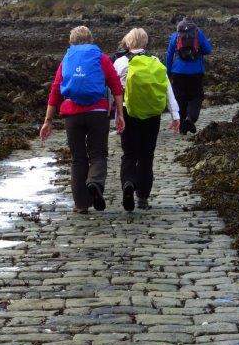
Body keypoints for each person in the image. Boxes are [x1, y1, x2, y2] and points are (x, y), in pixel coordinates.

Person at [40, 26, 124, 214]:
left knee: (78, 159)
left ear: (71, 41)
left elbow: (55, 90)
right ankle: (94, 182)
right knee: (98, 154)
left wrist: (48, 120)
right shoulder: (101, 58)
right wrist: (120, 114)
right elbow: (116, 86)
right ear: (91, 40)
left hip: (72, 113)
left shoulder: (67, 59)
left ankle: (81, 205)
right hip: (98, 112)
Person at [114, 27, 180, 211]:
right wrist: (175, 115)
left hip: (128, 112)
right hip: (152, 115)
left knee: (129, 154)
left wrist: (114, 115)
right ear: (145, 43)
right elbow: (168, 89)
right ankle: (142, 197)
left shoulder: (119, 63)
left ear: (128, 43)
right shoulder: (155, 62)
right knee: (146, 156)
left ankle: (128, 183)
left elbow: (113, 91)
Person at [165, 18, 213, 134]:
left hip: (178, 72)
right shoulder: (198, 34)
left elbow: (169, 54)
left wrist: (168, 71)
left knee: (180, 98)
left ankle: (182, 127)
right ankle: (190, 119)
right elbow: (208, 50)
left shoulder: (175, 35)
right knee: (196, 97)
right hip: (196, 72)